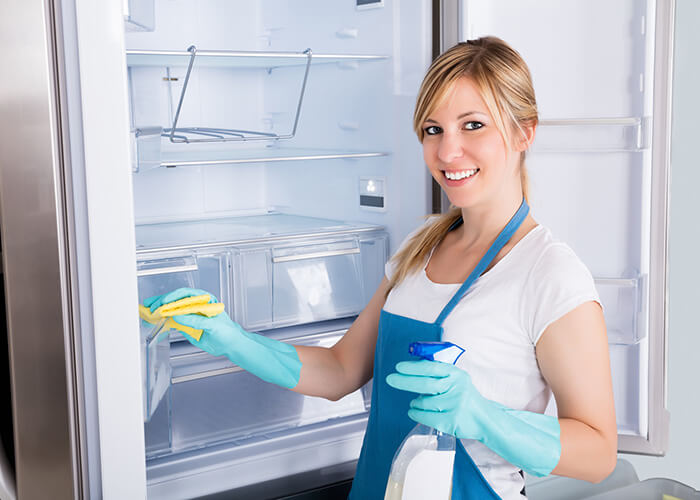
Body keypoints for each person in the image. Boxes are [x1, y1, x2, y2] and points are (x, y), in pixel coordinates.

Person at [145, 37, 617, 499]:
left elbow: (597, 453)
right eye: (433, 130)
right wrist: (235, 340)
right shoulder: (421, 245)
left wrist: (481, 415)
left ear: (523, 132)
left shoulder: (548, 273)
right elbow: (339, 370)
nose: (448, 152)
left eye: (473, 125)